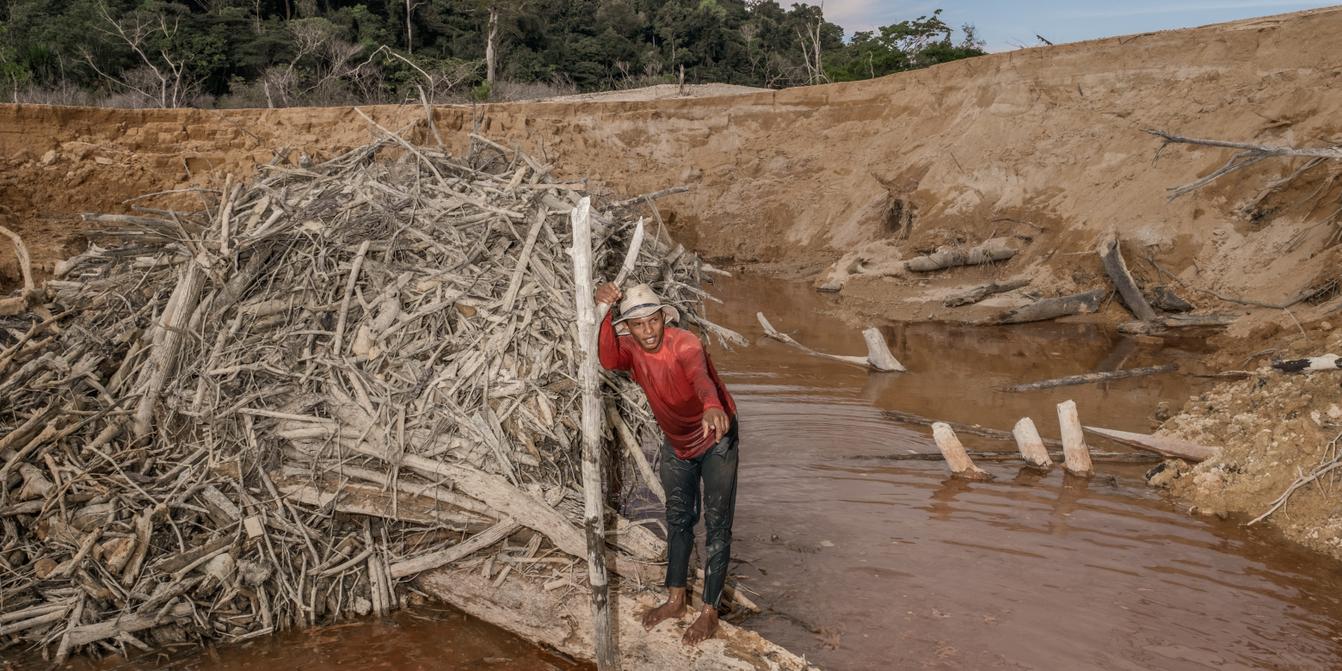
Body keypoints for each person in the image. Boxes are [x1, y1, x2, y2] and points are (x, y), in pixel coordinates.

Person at [594, 282, 739, 646]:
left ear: (664, 318)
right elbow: (608, 359)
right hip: (678, 446)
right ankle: (675, 599)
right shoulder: (630, 348)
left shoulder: (685, 343)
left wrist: (712, 405)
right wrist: (603, 313)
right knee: (678, 519)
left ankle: (709, 612)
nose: (648, 331)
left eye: (653, 321)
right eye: (639, 325)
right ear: (629, 328)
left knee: (718, 524)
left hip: (716, 436)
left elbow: (700, 377)